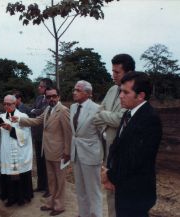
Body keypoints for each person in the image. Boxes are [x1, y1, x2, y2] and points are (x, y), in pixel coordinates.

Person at [101, 72, 162, 217]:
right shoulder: (128, 114)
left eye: (125, 92)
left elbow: (136, 159)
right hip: (123, 187)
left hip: (136, 193)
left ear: (140, 95)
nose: (120, 96)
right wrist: (109, 171)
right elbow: (117, 146)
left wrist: (110, 175)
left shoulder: (149, 119)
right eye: (120, 91)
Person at [13, 87, 72, 216]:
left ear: (59, 96)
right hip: (48, 151)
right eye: (48, 96)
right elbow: (36, 121)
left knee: (60, 181)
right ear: (45, 98)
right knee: (51, 180)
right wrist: (19, 120)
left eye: (54, 96)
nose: (51, 99)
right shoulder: (48, 109)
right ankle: (51, 203)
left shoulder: (63, 110)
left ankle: (59, 205)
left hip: (60, 153)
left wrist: (67, 152)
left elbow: (68, 133)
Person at [93, 53, 135, 217]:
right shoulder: (112, 90)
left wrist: (105, 115)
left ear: (129, 72)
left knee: (122, 198)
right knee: (110, 196)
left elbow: (120, 119)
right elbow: (97, 114)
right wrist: (107, 116)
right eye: (113, 71)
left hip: (122, 155)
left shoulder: (134, 93)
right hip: (107, 152)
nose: (113, 75)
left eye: (117, 72)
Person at [0, 95, 33, 207]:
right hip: (6, 151)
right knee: (8, 175)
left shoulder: (22, 116)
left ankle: (22, 198)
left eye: (9, 104)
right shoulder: (0, 117)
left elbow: (26, 135)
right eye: (4, 104)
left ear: (15, 104)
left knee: (19, 174)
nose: (6, 106)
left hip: (19, 151)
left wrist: (11, 129)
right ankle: (10, 197)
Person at [70, 80, 103, 217]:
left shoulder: (97, 108)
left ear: (88, 93)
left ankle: (96, 214)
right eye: (74, 89)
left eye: (78, 90)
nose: (74, 92)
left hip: (91, 154)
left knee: (93, 191)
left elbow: (103, 133)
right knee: (80, 189)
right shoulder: (72, 107)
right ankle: (84, 214)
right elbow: (74, 133)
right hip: (76, 153)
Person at [29, 78, 53, 197]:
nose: (39, 88)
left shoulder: (51, 99)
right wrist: (36, 111)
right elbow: (32, 110)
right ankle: (41, 185)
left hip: (47, 136)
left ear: (47, 88)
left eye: (41, 86)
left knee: (47, 163)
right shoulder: (39, 98)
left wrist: (35, 111)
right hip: (37, 135)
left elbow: (43, 112)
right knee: (39, 162)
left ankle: (49, 187)